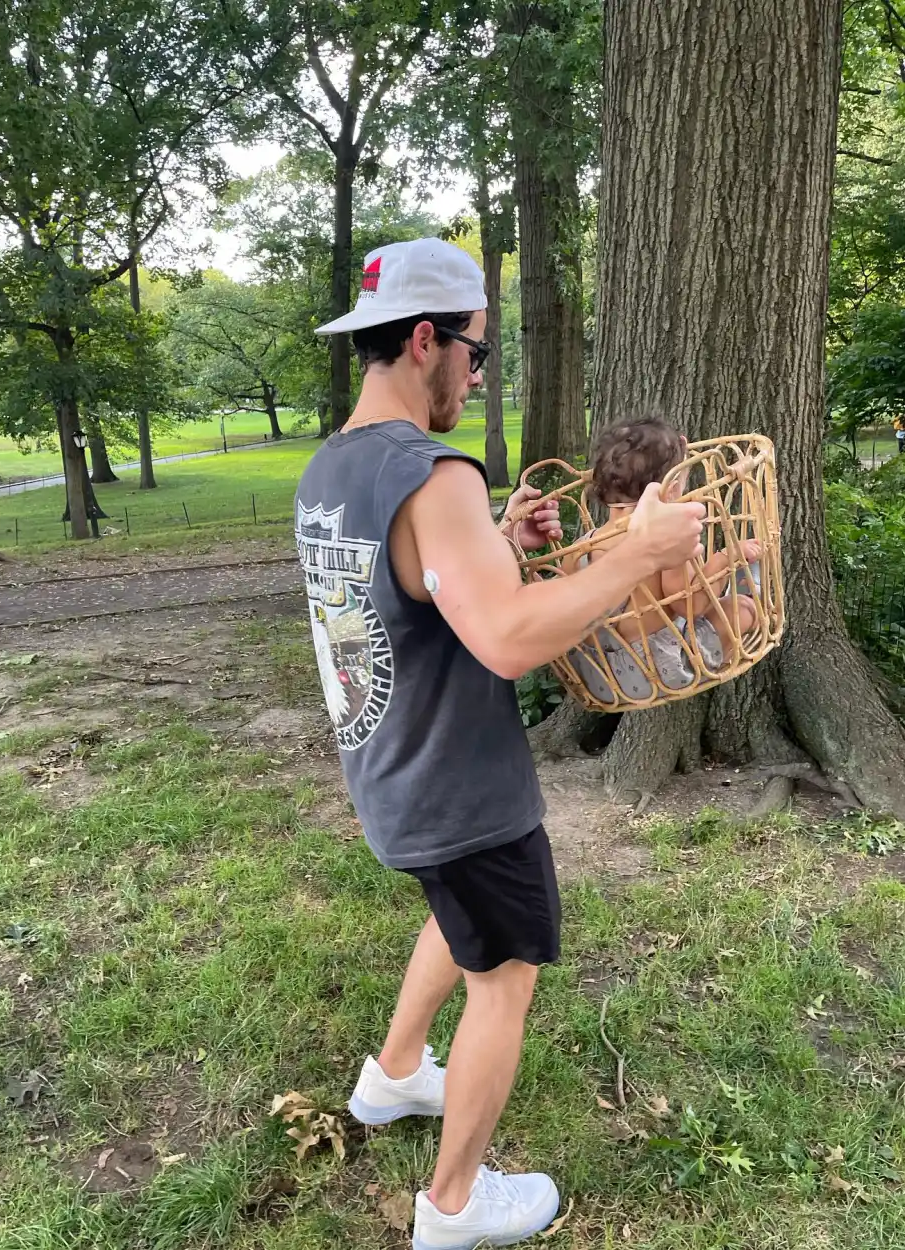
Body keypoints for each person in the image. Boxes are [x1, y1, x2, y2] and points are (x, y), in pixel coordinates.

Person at [293, 238, 705, 1250]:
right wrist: (642, 554)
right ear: (426, 339)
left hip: (390, 770)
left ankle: (393, 1075)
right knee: (506, 967)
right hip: (456, 785)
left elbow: (413, 587)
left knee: (459, 913)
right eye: (476, 355)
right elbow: (510, 639)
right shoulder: (430, 471)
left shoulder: (334, 466)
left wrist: (491, 537)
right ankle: (454, 1202)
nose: (478, 376)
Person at [562, 419, 760, 700]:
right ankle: (744, 585)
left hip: (597, 677)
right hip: (657, 675)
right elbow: (690, 605)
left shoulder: (578, 550)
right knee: (742, 607)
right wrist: (724, 559)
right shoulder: (667, 537)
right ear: (670, 487)